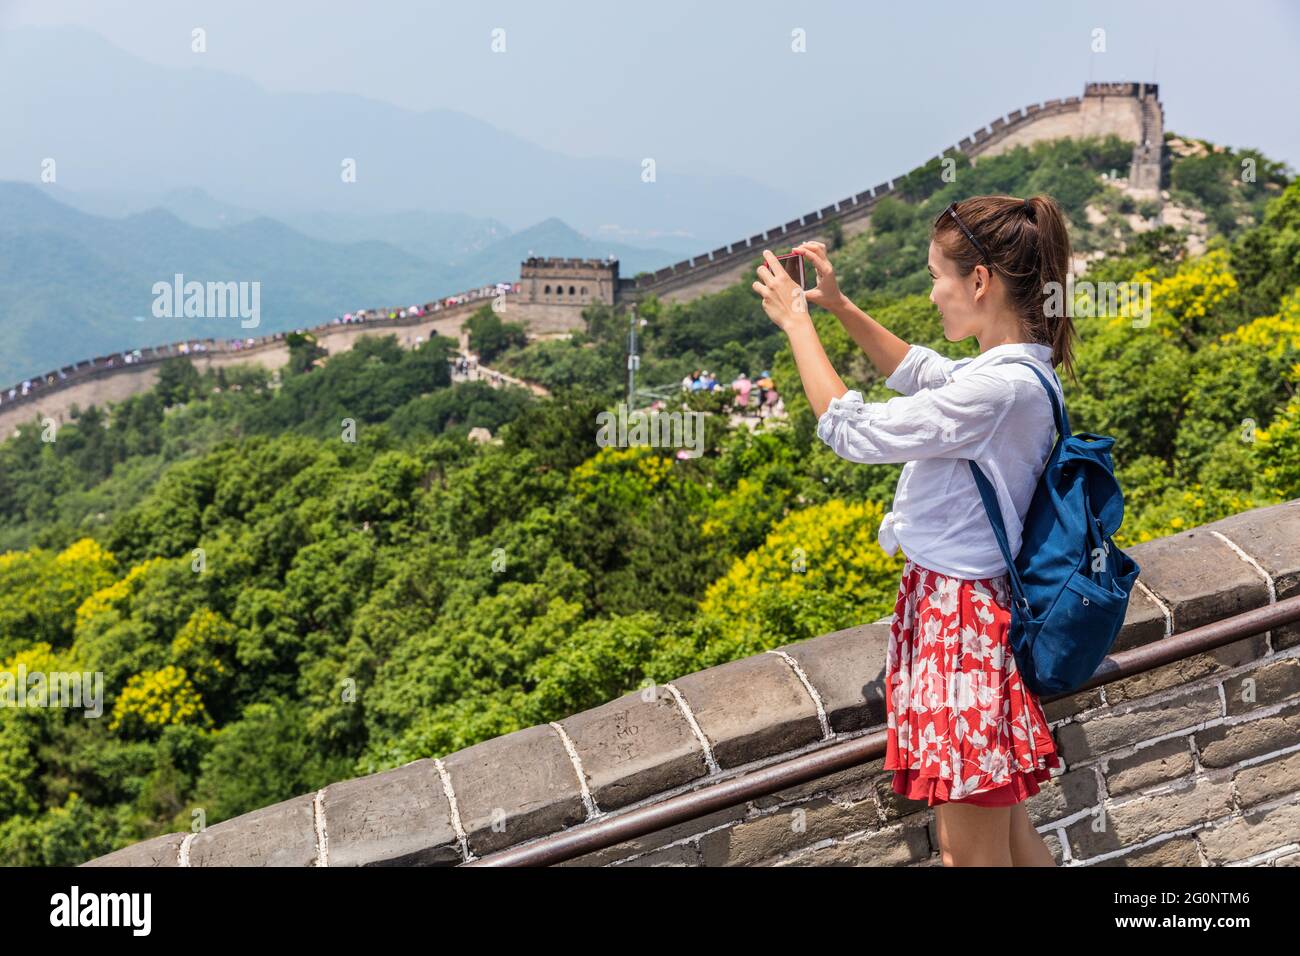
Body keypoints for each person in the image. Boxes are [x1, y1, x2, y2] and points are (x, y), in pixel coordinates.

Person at [752, 195, 1075, 868]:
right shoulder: (1018, 369)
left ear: (979, 282)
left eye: (938, 277)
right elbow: (919, 371)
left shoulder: (999, 391)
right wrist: (836, 307)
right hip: (969, 616)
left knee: (969, 857)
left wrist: (795, 324)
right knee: (1013, 840)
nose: (932, 295)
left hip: (959, 629)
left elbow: (853, 430)